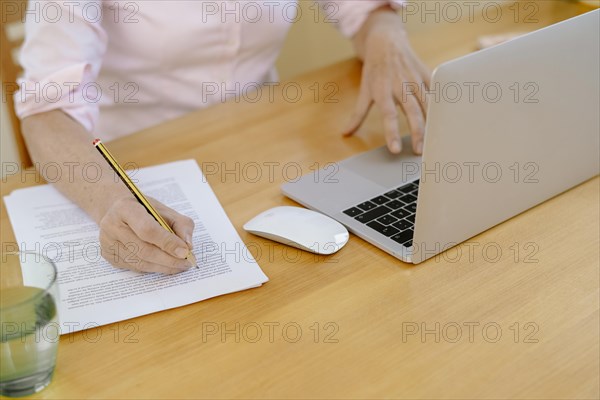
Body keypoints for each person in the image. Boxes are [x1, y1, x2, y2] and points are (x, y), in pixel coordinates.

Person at [16, 0, 431, 274]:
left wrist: (384, 35)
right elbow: (45, 111)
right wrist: (108, 198)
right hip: (133, 166)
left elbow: (364, 9)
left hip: (265, 157)